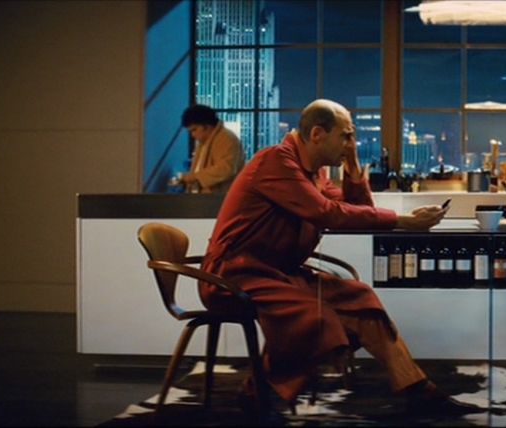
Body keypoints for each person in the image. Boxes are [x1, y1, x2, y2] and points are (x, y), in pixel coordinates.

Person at [199, 99, 477, 418]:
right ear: (318, 134)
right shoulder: (275, 161)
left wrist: (354, 168)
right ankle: (258, 390)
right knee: (313, 315)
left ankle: (419, 390)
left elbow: (355, 211)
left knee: (360, 298)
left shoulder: (314, 174)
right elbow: (326, 212)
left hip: (277, 274)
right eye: (346, 136)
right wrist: (402, 221)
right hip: (235, 275)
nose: (351, 143)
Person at [174, 104, 244, 193]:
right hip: (209, 197)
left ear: (207, 126)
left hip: (219, 197)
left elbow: (226, 169)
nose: (193, 135)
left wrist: (193, 177)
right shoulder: (204, 142)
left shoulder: (227, 139)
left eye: (194, 130)